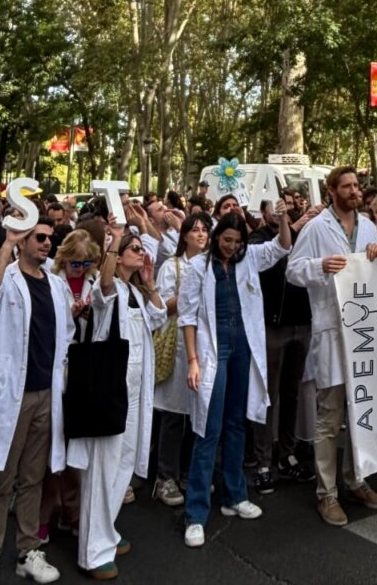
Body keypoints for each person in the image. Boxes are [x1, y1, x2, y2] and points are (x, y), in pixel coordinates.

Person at [0, 217, 74, 585]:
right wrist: (6, 245)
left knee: (33, 477)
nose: (47, 243)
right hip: (13, 395)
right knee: (2, 479)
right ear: (22, 242)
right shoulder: (9, 277)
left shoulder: (58, 286)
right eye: (39, 238)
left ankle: (28, 550)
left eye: (50, 238)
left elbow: (67, 334)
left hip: (47, 395)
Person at [178, 207, 290, 547]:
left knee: (237, 424)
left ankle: (234, 496)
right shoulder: (198, 267)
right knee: (207, 430)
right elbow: (187, 318)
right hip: (214, 352)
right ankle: (195, 513)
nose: (232, 247)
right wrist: (194, 361)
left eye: (238, 241)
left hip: (243, 349)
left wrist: (284, 219)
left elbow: (282, 246)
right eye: (226, 240)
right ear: (215, 238)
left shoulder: (249, 259)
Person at [286, 166, 377, 527]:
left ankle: (356, 478)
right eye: (346, 186)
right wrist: (319, 265)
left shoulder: (369, 227)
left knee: (361, 412)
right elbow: (292, 270)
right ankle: (326, 493)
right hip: (330, 330)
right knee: (330, 417)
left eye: (356, 186)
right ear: (331, 190)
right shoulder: (316, 228)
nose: (353, 191)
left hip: (363, 331)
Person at [68, 227, 165, 580]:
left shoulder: (135, 291)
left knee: (123, 464)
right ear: (118, 254)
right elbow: (105, 289)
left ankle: (105, 530)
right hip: (110, 387)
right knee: (103, 468)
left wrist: (150, 281)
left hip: (135, 391)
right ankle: (93, 552)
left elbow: (158, 317)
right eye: (134, 249)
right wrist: (112, 245)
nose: (140, 253)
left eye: (141, 248)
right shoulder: (104, 286)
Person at [248, 201, 314, 496]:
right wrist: (291, 226)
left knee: (291, 394)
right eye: (275, 208)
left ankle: (287, 453)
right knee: (268, 395)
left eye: (287, 206)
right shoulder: (257, 240)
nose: (281, 211)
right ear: (263, 213)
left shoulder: (305, 234)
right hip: (272, 327)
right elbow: (276, 253)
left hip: (302, 324)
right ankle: (263, 462)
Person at [39, 229, 101, 538]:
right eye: (75, 263)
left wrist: (86, 316)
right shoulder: (51, 280)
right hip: (56, 368)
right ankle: (44, 515)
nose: (81, 269)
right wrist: (70, 313)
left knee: (77, 449)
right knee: (52, 448)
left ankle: (74, 513)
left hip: (82, 368)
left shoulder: (95, 281)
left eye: (87, 263)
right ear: (64, 259)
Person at [152, 212, 211, 507]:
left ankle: (189, 473)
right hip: (177, 345)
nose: (201, 235)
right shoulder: (172, 266)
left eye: (205, 230)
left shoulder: (214, 266)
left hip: (204, 344)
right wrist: (190, 292)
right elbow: (161, 306)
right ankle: (166, 477)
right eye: (195, 230)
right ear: (184, 235)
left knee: (197, 414)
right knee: (174, 415)